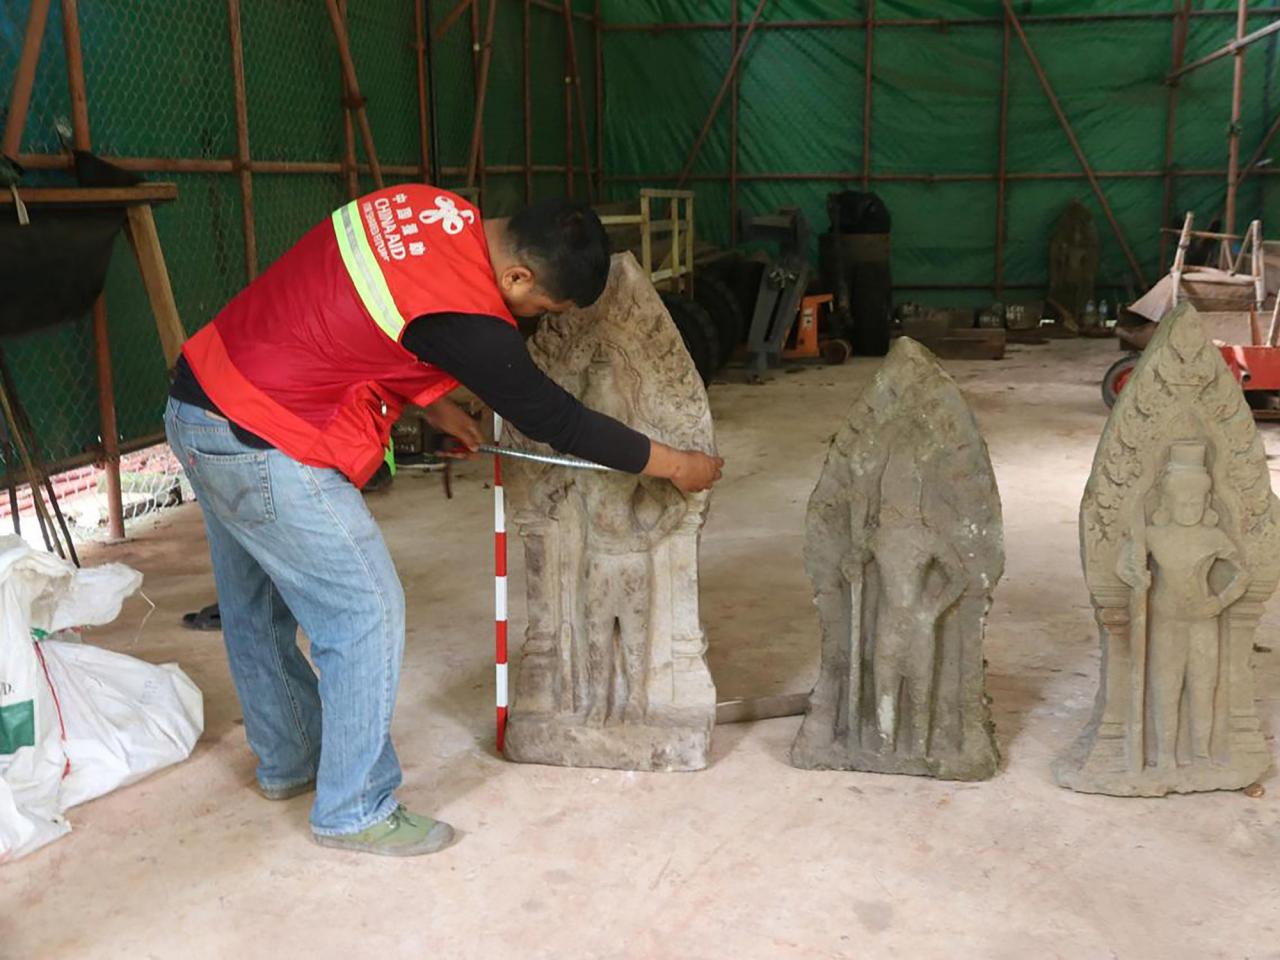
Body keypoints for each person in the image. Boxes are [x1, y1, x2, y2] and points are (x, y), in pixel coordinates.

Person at [164, 185, 723, 857]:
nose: (541, 321)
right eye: (545, 307)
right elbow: (554, 418)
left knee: (255, 608)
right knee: (365, 612)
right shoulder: (473, 319)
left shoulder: (432, 209)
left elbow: (367, 309)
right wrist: (672, 464)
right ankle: (353, 809)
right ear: (518, 276)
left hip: (200, 401)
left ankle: (292, 761)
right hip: (265, 436)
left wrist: (429, 406)